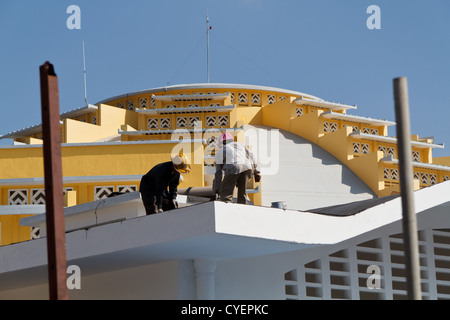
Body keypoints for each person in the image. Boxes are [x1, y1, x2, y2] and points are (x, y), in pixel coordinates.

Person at [213, 132, 261, 204]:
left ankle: (226, 209)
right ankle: (242, 208)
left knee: (226, 193)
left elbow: (218, 174)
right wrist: (257, 172)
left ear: (222, 143)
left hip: (233, 167)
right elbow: (252, 156)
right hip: (247, 167)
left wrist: (217, 188)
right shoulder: (241, 145)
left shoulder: (220, 151)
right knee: (242, 192)